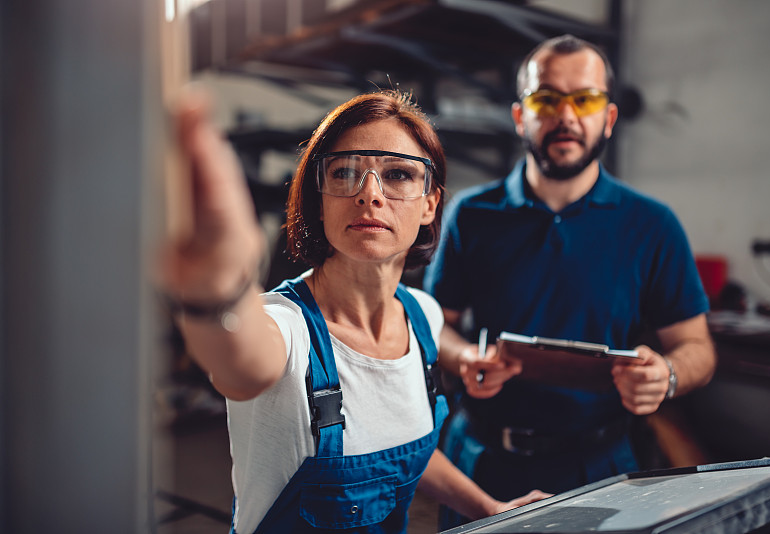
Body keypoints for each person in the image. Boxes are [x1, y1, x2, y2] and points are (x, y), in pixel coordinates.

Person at [159, 88, 549, 534]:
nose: (369, 195)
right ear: (319, 200)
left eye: (399, 174)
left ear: (430, 203)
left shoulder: (423, 318)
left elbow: (406, 446)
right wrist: (219, 291)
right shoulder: (287, 327)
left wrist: (488, 507)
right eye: (344, 172)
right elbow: (239, 362)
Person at [423, 34, 717, 528]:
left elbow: (697, 347)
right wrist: (464, 357)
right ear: (521, 116)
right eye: (547, 99)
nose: (566, 116)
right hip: (481, 461)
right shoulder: (471, 215)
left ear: (609, 117)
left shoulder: (651, 224)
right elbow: (433, 325)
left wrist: (666, 375)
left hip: (600, 466)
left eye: (585, 99)